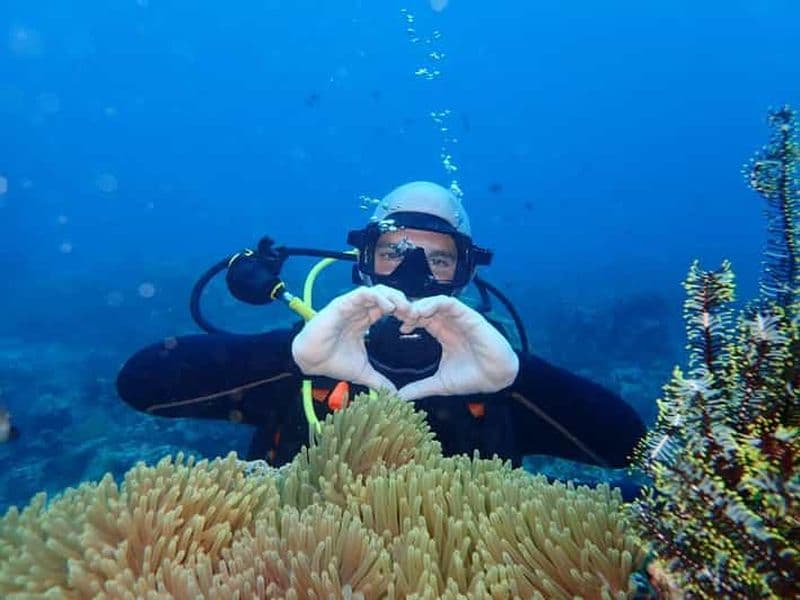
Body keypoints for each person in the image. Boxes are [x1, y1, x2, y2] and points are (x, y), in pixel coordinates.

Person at [117, 181, 645, 470]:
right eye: (395, 252)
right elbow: (141, 384)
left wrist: (517, 379)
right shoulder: (307, 359)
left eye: (439, 260)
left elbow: (630, 447)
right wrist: (290, 359)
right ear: (363, 262)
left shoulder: (498, 382)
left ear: (462, 275)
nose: (415, 273)